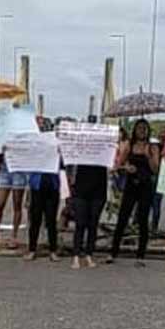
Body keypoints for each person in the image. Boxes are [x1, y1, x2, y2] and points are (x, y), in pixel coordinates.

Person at [107, 119, 160, 266]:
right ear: (135, 130)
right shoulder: (129, 145)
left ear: (148, 130)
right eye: (139, 128)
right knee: (123, 218)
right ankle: (113, 253)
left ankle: (141, 256)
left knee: (143, 220)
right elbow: (119, 164)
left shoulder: (153, 147)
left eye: (144, 128)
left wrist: (148, 155)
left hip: (146, 186)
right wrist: (126, 167)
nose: (141, 131)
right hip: (131, 184)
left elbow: (156, 169)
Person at [68, 116, 108, 270]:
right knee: (80, 223)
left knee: (93, 224)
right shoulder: (79, 146)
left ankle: (89, 254)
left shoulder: (105, 147)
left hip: (98, 189)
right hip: (81, 189)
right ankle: (76, 255)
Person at [24, 170, 61, 262]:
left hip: (52, 186)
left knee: (51, 221)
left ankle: (53, 250)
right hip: (37, 186)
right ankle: (32, 250)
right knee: (35, 220)